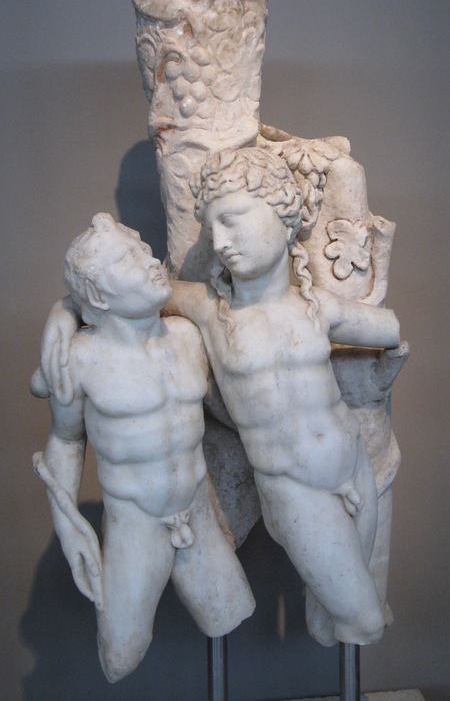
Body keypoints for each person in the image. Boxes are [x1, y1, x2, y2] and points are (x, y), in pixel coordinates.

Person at [41, 148, 401, 646]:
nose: (222, 243)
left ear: (283, 212)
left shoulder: (317, 308)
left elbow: (389, 329)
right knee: (363, 621)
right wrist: (64, 314)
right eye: (212, 231)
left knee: (331, 620)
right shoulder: (210, 311)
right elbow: (117, 291)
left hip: (353, 465)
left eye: (232, 221)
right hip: (296, 492)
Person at [31, 213, 255, 683]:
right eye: (128, 259)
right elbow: (66, 441)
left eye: (145, 250)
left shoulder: (187, 338)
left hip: (197, 517)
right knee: (121, 654)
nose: (151, 261)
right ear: (98, 296)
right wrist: (68, 524)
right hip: (135, 526)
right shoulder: (80, 360)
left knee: (229, 613)